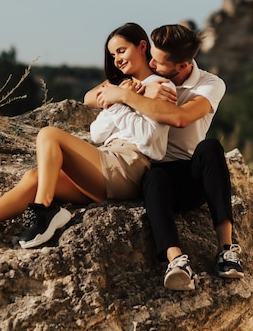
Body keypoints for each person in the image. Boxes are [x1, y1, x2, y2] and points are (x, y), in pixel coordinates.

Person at [0, 22, 175, 249]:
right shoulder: (120, 88)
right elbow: (98, 133)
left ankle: (44, 210)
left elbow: (151, 144)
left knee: (50, 134)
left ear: (142, 46)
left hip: (128, 168)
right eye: (113, 56)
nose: (117, 60)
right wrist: (120, 97)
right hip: (106, 164)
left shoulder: (161, 87)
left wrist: (125, 100)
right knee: (35, 176)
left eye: (121, 51)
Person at [92, 23, 244, 291]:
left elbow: (180, 118)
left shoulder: (210, 84)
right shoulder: (148, 78)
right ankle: (177, 262)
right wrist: (122, 92)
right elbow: (92, 95)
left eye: (157, 62)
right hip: (158, 178)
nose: (149, 63)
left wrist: (126, 96)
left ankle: (227, 251)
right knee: (154, 175)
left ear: (182, 66)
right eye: (150, 55)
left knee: (210, 148)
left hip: (192, 175)